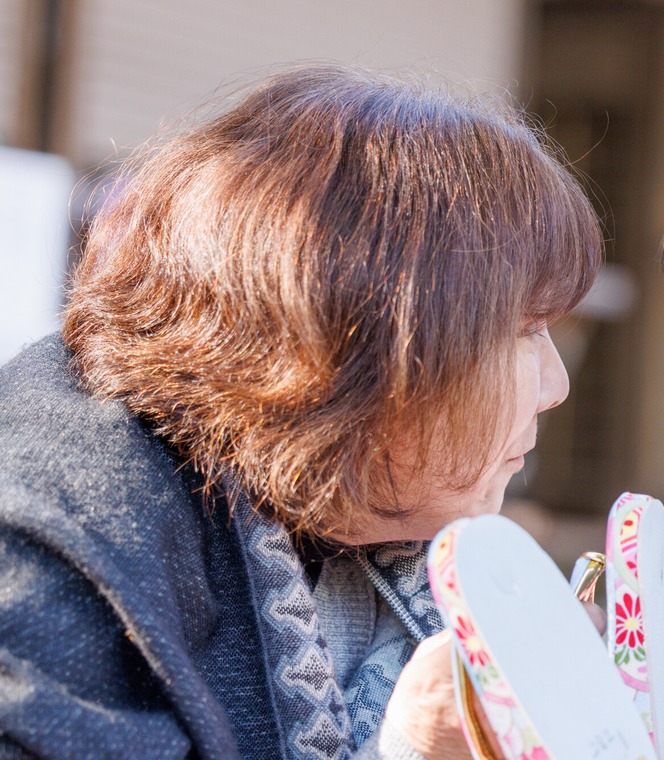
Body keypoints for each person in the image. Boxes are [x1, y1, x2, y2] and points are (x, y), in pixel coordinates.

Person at [0, 63, 602, 758]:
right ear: (359, 342)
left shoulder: (369, 506)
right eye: (526, 329)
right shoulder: (55, 537)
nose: (556, 385)